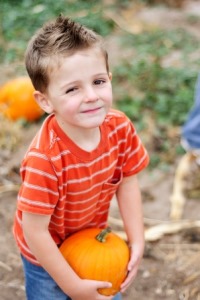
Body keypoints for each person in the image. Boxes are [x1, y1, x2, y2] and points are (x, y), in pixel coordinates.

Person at [13, 15, 149, 300]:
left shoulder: (120, 128)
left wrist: (137, 239)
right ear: (45, 101)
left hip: (90, 238)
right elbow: (35, 231)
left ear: (109, 79)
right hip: (46, 256)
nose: (91, 96)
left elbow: (127, 183)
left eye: (98, 81)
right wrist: (72, 286)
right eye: (73, 88)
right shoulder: (45, 159)